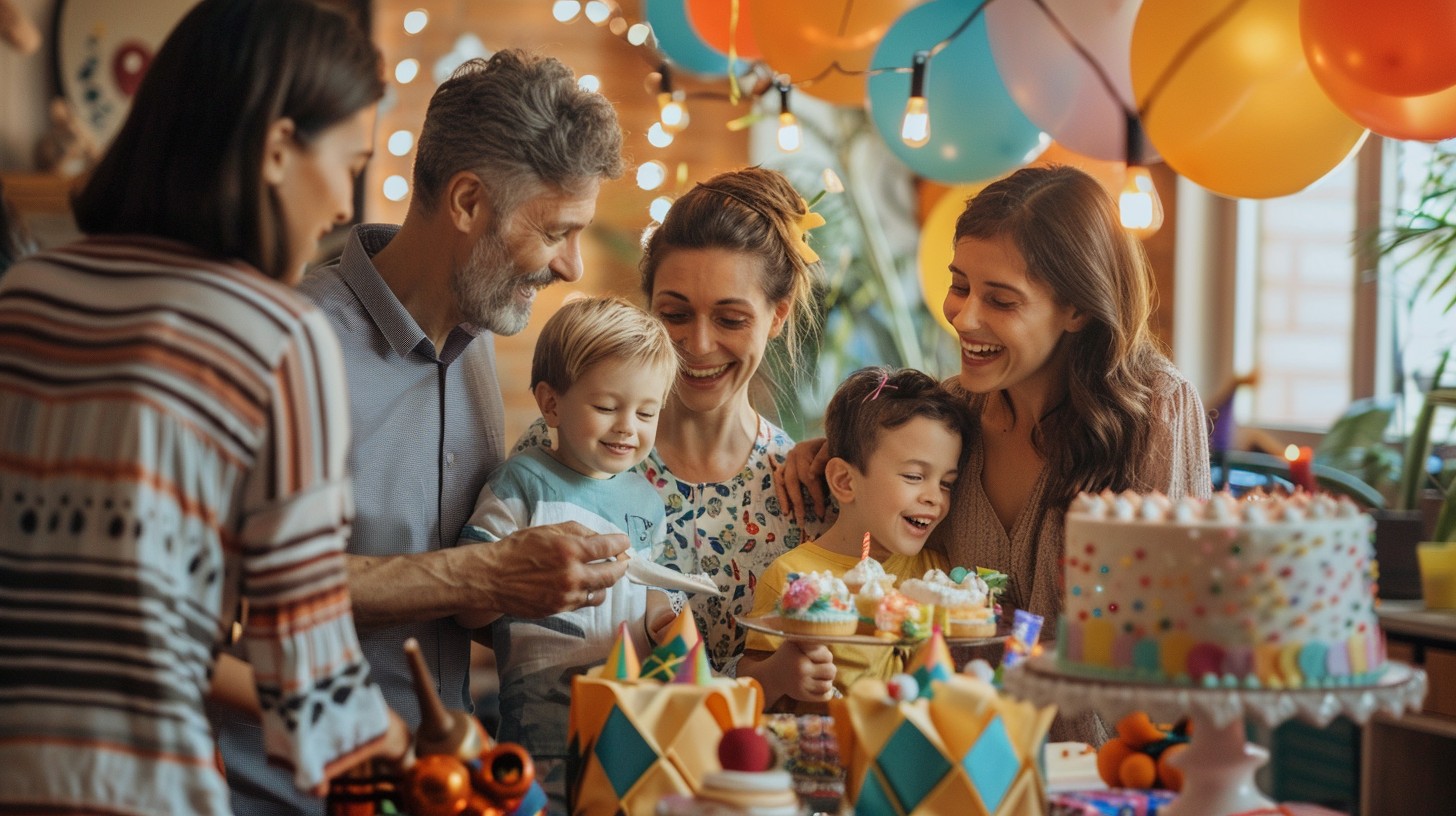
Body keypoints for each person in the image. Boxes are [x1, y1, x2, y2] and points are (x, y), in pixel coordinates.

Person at [0, 0, 409, 812]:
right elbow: (309, 678)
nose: (343, 200)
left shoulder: (22, 296)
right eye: (350, 160)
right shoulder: (278, 336)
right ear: (278, 148)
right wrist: (400, 742)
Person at [212, 48, 630, 814]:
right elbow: (223, 595)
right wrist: (486, 575)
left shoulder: (475, 347)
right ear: (468, 201)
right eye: (557, 230)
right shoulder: (285, 343)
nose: (572, 266)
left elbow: (453, 598)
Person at [776, 166, 1210, 738]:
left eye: (1000, 300)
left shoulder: (1156, 411)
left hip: (1098, 775)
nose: (963, 315)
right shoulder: (954, 415)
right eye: (960, 285)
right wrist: (834, 451)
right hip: (951, 764)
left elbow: (1167, 644)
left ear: (1078, 309)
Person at [515, 166, 825, 677]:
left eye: (730, 319)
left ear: (777, 316)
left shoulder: (806, 492)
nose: (698, 346)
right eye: (675, 314)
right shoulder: (558, 447)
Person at [456, 296, 681, 811]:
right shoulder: (521, 483)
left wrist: (671, 627)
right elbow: (469, 602)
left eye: (647, 412)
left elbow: (651, 600)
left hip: (629, 706)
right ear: (551, 403)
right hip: (541, 706)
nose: (628, 426)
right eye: (607, 407)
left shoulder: (647, 500)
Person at [740, 367, 970, 712]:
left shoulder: (939, 577)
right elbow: (748, 683)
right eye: (914, 476)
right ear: (845, 482)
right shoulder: (793, 578)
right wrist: (779, 675)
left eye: (946, 483)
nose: (934, 498)